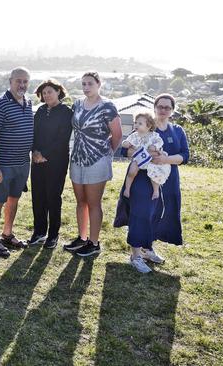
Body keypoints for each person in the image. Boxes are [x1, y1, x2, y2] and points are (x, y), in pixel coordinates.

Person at [119, 94, 189, 273]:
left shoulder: (177, 130)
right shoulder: (145, 126)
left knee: (156, 215)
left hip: (167, 177)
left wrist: (164, 159)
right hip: (142, 179)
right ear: (155, 107)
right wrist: (136, 152)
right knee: (140, 213)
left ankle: (147, 249)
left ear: (172, 110)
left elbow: (184, 156)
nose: (163, 110)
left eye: (167, 107)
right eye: (160, 106)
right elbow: (124, 150)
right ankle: (135, 255)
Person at [64, 71, 122, 257]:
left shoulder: (108, 106)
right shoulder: (78, 104)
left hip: (97, 160)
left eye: (90, 83)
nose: (86, 87)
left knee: (94, 203)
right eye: (83, 84)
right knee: (81, 202)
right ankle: (82, 238)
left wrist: (106, 153)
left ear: (99, 84)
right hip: (77, 158)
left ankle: (94, 242)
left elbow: (117, 135)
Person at [0, 67, 34, 258]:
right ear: (10, 81)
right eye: (18, 81)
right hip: (2, 165)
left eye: (25, 81)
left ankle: (7, 233)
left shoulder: (28, 103)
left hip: (22, 163)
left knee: (14, 199)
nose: (22, 85)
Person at [30, 79, 73, 249]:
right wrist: (34, 151)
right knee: (38, 196)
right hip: (37, 160)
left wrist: (45, 154)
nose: (46, 95)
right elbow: (33, 133)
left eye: (50, 91)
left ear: (58, 92)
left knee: (53, 197)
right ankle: (39, 232)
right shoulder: (40, 111)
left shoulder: (66, 112)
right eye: (44, 93)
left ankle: (53, 235)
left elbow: (62, 138)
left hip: (57, 161)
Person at [121, 112, 170, 200]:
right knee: (131, 172)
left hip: (151, 160)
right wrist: (126, 143)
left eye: (140, 123)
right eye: (135, 122)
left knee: (154, 173)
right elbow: (126, 142)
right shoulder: (134, 136)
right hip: (138, 159)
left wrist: (155, 147)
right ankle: (127, 189)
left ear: (149, 126)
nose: (136, 125)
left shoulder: (154, 135)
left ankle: (156, 190)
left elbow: (160, 142)